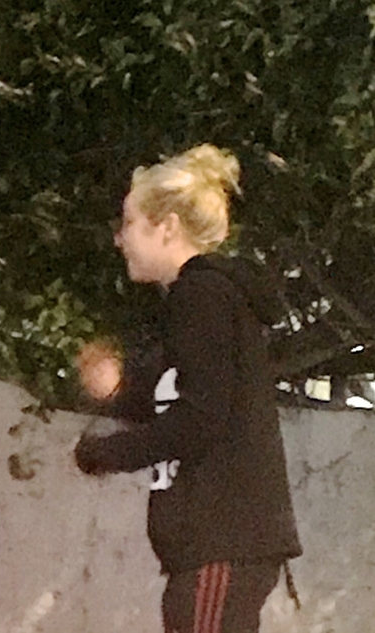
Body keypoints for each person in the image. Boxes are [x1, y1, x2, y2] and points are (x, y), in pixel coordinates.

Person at [74, 144, 302, 633]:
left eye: (130, 223)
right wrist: (116, 388)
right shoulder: (201, 301)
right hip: (212, 548)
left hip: (222, 538)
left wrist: (107, 453)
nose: (119, 239)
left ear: (168, 227)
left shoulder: (202, 295)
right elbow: (177, 396)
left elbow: (200, 418)